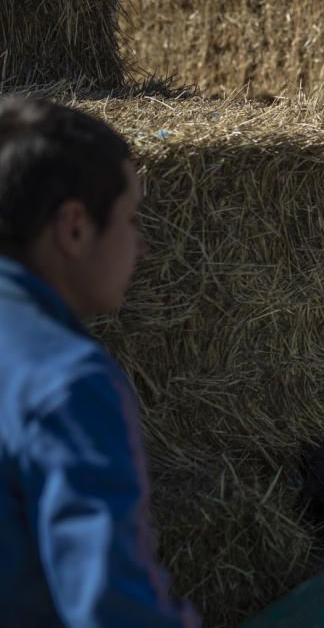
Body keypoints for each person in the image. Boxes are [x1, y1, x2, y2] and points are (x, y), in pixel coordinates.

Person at [0, 97, 198, 626]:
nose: (143, 246)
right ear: (74, 227)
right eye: (131, 219)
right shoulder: (66, 382)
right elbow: (113, 608)